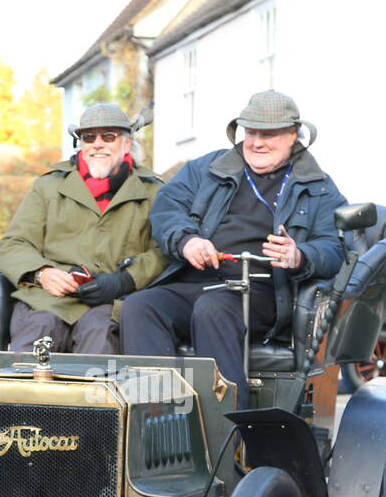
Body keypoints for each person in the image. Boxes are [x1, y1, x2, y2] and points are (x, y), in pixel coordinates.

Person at [123, 91, 345, 408]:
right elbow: (167, 209)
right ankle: (157, 417)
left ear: (293, 135)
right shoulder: (207, 168)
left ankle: (227, 433)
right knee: (141, 306)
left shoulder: (318, 186)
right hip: (194, 281)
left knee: (213, 308)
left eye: (268, 134)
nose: (256, 142)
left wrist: (299, 255)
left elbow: (336, 247)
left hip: (262, 292)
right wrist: (187, 240)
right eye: (250, 132)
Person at [0, 102, 167, 354]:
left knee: (99, 347)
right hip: (47, 299)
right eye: (88, 137)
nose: (97, 144)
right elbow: (15, 244)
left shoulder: (153, 190)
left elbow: (163, 251)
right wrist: (41, 273)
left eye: (108, 136)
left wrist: (125, 280)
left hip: (111, 301)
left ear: (127, 144)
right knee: (32, 352)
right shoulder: (48, 187)